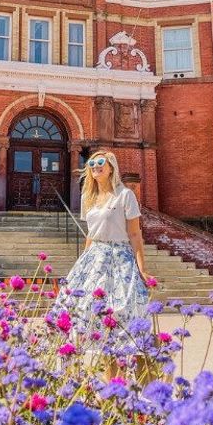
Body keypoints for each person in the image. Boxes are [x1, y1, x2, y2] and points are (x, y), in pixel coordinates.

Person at [54, 149, 155, 370]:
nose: (95, 166)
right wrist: (82, 262)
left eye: (101, 162)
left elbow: (135, 234)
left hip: (120, 257)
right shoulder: (87, 198)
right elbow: (90, 234)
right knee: (83, 307)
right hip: (95, 257)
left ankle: (127, 366)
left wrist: (141, 268)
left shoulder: (125, 195)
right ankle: (90, 364)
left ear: (111, 167)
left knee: (122, 309)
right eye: (91, 164)